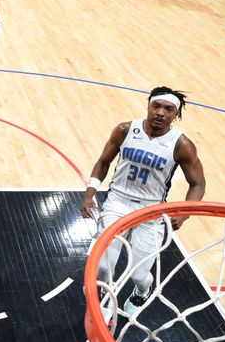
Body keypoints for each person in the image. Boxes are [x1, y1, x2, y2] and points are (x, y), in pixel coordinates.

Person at [80, 87, 206, 318]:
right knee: (103, 266)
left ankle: (142, 290)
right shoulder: (125, 130)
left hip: (152, 210)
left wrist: (186, 213)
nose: (160, 113)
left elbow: (197, 184)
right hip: (117, 202)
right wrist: (90, 193)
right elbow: (103, 162)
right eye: (156, 106)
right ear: (148, 106)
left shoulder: (181, 145)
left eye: (168, 109)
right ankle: (107, 306)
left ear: (175, 115)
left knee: (139, 274)